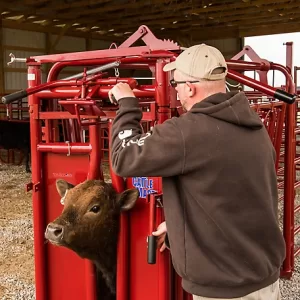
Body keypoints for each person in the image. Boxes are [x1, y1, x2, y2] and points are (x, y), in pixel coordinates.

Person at [108, 44, 285, 300]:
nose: (176, 91)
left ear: (190, 87)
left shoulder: (186, 132)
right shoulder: (254, 127)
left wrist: (127, 105)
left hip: (224, 290)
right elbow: (233, 196)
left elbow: (123, 158)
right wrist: (183, 225)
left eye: (175, 83)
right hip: (264, 279)